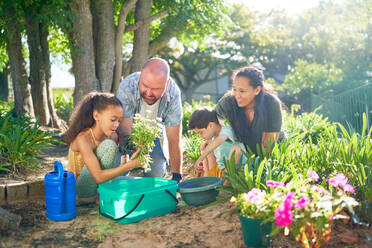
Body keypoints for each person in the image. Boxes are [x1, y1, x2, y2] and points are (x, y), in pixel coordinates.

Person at [116, 57, 183, 182]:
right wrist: (132, 154)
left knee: (156, 176)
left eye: (156, 89)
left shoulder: (173, 93)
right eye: (145, 85)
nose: (148, 92)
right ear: (141, 75)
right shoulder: (128, 85)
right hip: (128, 138)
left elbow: (174, 138)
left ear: (166, 84)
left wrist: (177, 175)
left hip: (153, 137)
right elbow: (124, 128)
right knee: (117, 175)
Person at [65, 91, 142, 199]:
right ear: (96, 115)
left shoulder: (112, 136)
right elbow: (98, 177)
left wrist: (124, 165)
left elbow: (107, 172)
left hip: (102, 184)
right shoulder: (84, 139)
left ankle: (100, 196)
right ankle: (88, 199)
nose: (116, 125)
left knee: (138, 183)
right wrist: (127, 167)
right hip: (81, 188)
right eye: (113, 119)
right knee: (109, 146)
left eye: (119, 121)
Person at [215, 66, 282, 155]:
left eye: (242, 91)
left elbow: (268, 147)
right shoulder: (227, 103)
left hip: (271, 154)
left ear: (257, 90)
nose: (237, 95)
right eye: (234, 89)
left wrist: (255, 166)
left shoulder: (271, 103)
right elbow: (215, 128)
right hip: (240, 153)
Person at [188, 108, 244, 178]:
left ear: (211, 125)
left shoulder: (226, 130)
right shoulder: (215, 136)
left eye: (201, 132)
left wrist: (200, 158)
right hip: (220, 169)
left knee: (208, 149)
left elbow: (220, 140)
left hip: (233, 171)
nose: (200, 136)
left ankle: (219, 184)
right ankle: (207, 179)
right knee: (206, 148)